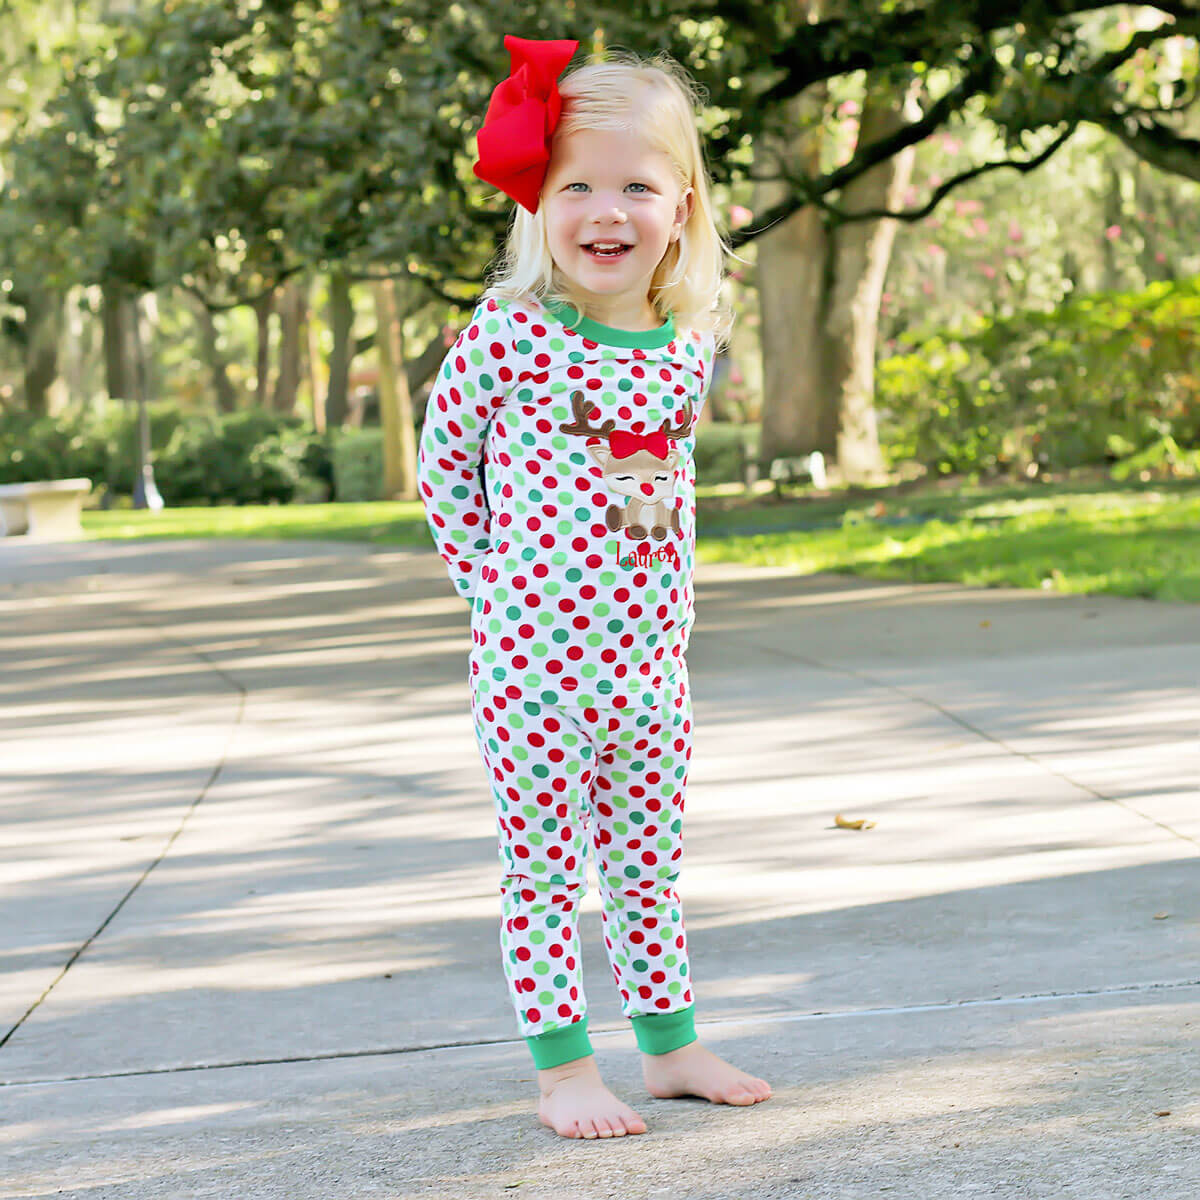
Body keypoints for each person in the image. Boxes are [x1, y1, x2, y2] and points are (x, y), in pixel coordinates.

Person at [417, 34, 771, 1140]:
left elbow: (661, 490)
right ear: (537, 202)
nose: (605, 212)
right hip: (532, 671)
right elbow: (443, 471)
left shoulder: (686, 344)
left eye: (635, 186)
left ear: (683, 206)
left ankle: (669, 1047)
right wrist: (500, 589)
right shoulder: (508, 337)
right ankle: (565, 1069)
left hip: (650, 670)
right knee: (546, 873)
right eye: (576, 185)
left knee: (649, 868)